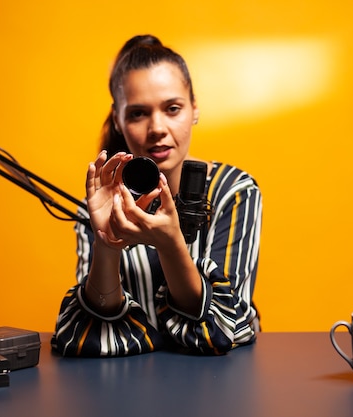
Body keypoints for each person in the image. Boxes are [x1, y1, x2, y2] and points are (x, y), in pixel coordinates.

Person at [52, 35, 262, 356]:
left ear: (194, 108)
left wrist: (170, 243)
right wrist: (107, 244)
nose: (157, 128)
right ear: (119, 121)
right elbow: (91, 332)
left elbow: (225, 327)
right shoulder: (99, 205)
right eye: (138, 114)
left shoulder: (233, 192)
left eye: (172, 108)